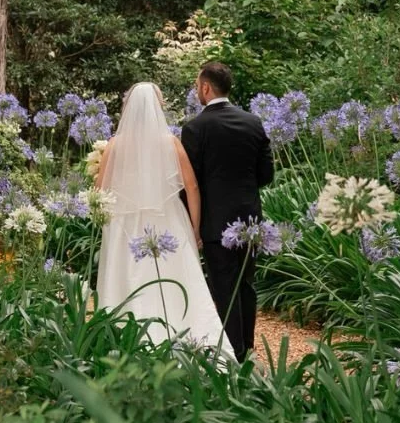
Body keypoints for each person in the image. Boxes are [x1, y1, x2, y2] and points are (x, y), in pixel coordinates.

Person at [95, 82, 233, 358]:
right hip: (169, 221)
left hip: (125, 225)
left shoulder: (114, 145)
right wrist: (194, 229)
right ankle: (187, 342)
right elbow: (191, 187)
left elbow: (99, 191)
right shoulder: (170, 142)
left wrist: (104, 222)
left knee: (127, 278)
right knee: (175, 279)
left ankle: (124, 344)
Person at [180, 61, 273, 362]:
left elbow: (189, 183)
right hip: (250, 220)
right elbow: (266, 175)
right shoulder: (253, 122)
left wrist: (191, 222)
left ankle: (235, 354)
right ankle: (248, 346)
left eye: (197, 86)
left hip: (215, 222)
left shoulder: (194, 128)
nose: (197, 91)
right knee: (246, 284)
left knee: (224, 288)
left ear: (206, 88)